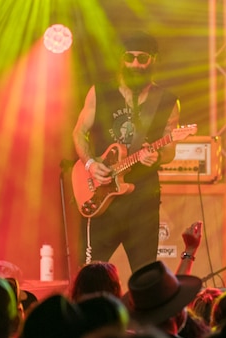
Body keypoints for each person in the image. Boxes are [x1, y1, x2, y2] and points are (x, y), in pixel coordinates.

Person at [72, 31, 181, 272]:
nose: (135, 64)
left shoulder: (166, 101)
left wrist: (157, 156)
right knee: (90, 273)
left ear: (153, 60)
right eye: (129, 57)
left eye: (142, 58)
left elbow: (170, 149)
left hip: (142, 200)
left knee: (145, 275)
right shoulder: (100, 92)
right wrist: (90, 164)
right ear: (121, 59)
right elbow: (79, 132)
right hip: (99, 196)